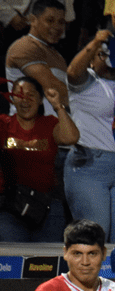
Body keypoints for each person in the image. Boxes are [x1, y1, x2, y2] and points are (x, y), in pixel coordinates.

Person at [63, 30, 115, 241]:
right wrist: (96, 41)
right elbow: (71, 72)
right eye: (102, 54)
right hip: (89, 167)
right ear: (91, 60)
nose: (108, 58)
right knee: (95, 237)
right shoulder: (85, 82)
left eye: (113, 53)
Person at [0, 76, 78, 243]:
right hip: (11, 208)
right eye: (19, 96)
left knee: (46, 264)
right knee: (14, 262)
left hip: (48, 209)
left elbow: (71, 137)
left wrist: (57, 106)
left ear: (41, 99)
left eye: (31, 95)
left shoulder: (49, 124)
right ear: (12, 99)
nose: (25, 101)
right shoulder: (4, 124)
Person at [4, 0, 69, 113]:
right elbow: (56, 91)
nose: (56, 26)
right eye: (50, 20)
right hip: (27, 129)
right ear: (33, 20)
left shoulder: (57, 55)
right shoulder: (24, 46)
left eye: (61, 22)